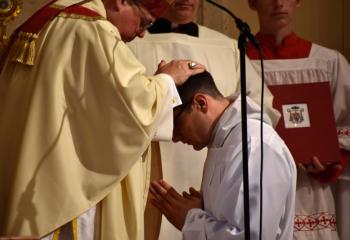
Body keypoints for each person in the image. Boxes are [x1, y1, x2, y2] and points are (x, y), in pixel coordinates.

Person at [0, 0, 207, 239]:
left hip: (27, 175)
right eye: (145, 22)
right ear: (121, 1)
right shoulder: (93, 30)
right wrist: (168, 79)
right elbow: (133, 105)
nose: (141, 33)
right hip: (61, 192)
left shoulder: (49, 19)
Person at [126, 1, 280, 238]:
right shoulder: (128, 45)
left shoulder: (227, 47)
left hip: (222, 176)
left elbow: (262, 108)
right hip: (147, 181)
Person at [246, 0, 350, 239]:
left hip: (309, 191)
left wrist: (329, 165)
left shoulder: (328, 62)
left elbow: (345, 126)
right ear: (252, 3)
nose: (278, 3)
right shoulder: (238, 60)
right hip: (257, 187)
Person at [150, 71, 297, 239]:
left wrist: (190, 220)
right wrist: (205, 210)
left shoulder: (255, 145)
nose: (174, 137)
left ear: (200, 103)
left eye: (174, 123)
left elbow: (252, 235)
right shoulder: (224, 141)